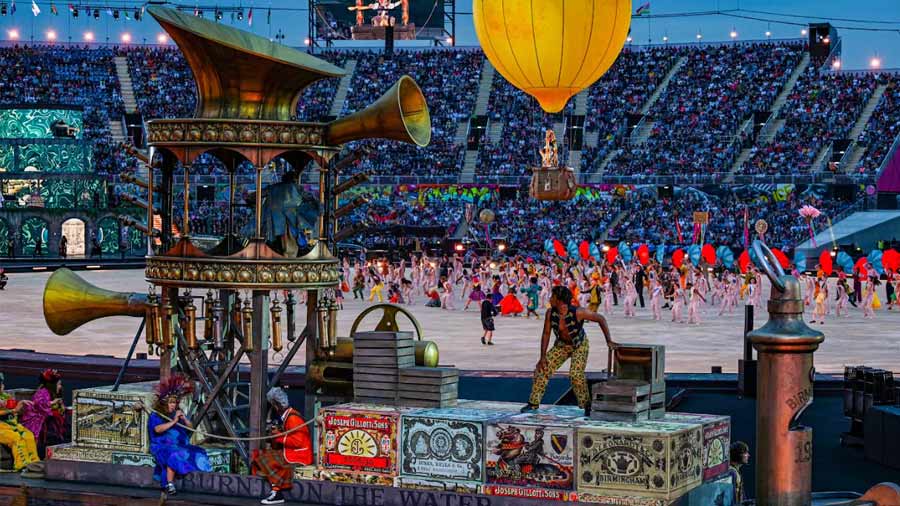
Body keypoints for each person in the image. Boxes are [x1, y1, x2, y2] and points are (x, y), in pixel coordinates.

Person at [521, 286, 612, 414]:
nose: (550, 299)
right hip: (561, 345)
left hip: (579, 345)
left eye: (552, 297)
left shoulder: (578, 312)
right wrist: (542, 357)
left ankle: (587, 405)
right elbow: (546, 334)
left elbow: (601, 319)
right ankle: (533, 403)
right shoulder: (550, 313)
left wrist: (608, 341)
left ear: (560, 300)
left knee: (576, 375)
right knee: (542, 369)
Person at [148, 373, 211, 495]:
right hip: (161, 446)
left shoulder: (176, 414)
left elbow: (190, 428)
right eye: (171, 403)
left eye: (175, 403)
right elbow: (158, 430)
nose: (174, 405)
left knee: (198, 452)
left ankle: (198, 482)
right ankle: (169, 484)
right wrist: (174, 421)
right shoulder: (156, 415)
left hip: (179, 444)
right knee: (174, 455)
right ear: (164, 403)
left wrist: (184, 419)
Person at [252, 387, 312, 505]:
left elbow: (298, 441)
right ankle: (275, 486)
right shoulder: (288, 415)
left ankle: (277, 492)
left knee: (269, 459)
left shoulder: (293, 418)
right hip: (293, 451)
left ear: (276, 405)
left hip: (300, 454)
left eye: (272, 405)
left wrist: (278, 436)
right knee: (261, 455)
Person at [20, 369, 66, 457]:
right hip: (35, 420)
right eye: (59, 384)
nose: (60, 387)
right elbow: (39, 405)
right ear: (53, 385)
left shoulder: (50, 393)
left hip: (44, 418)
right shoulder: (42, 392)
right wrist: (52, 403)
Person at [0, 373, 39, 471]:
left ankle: (34, 463)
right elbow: (13, 410)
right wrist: (13, 410)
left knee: (28, 435)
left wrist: (21, 403)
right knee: (16, 438)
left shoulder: (5, 396)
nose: (2, 386)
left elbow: (13, 408)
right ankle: (21, 465)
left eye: (1, 384)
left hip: (10, 425)